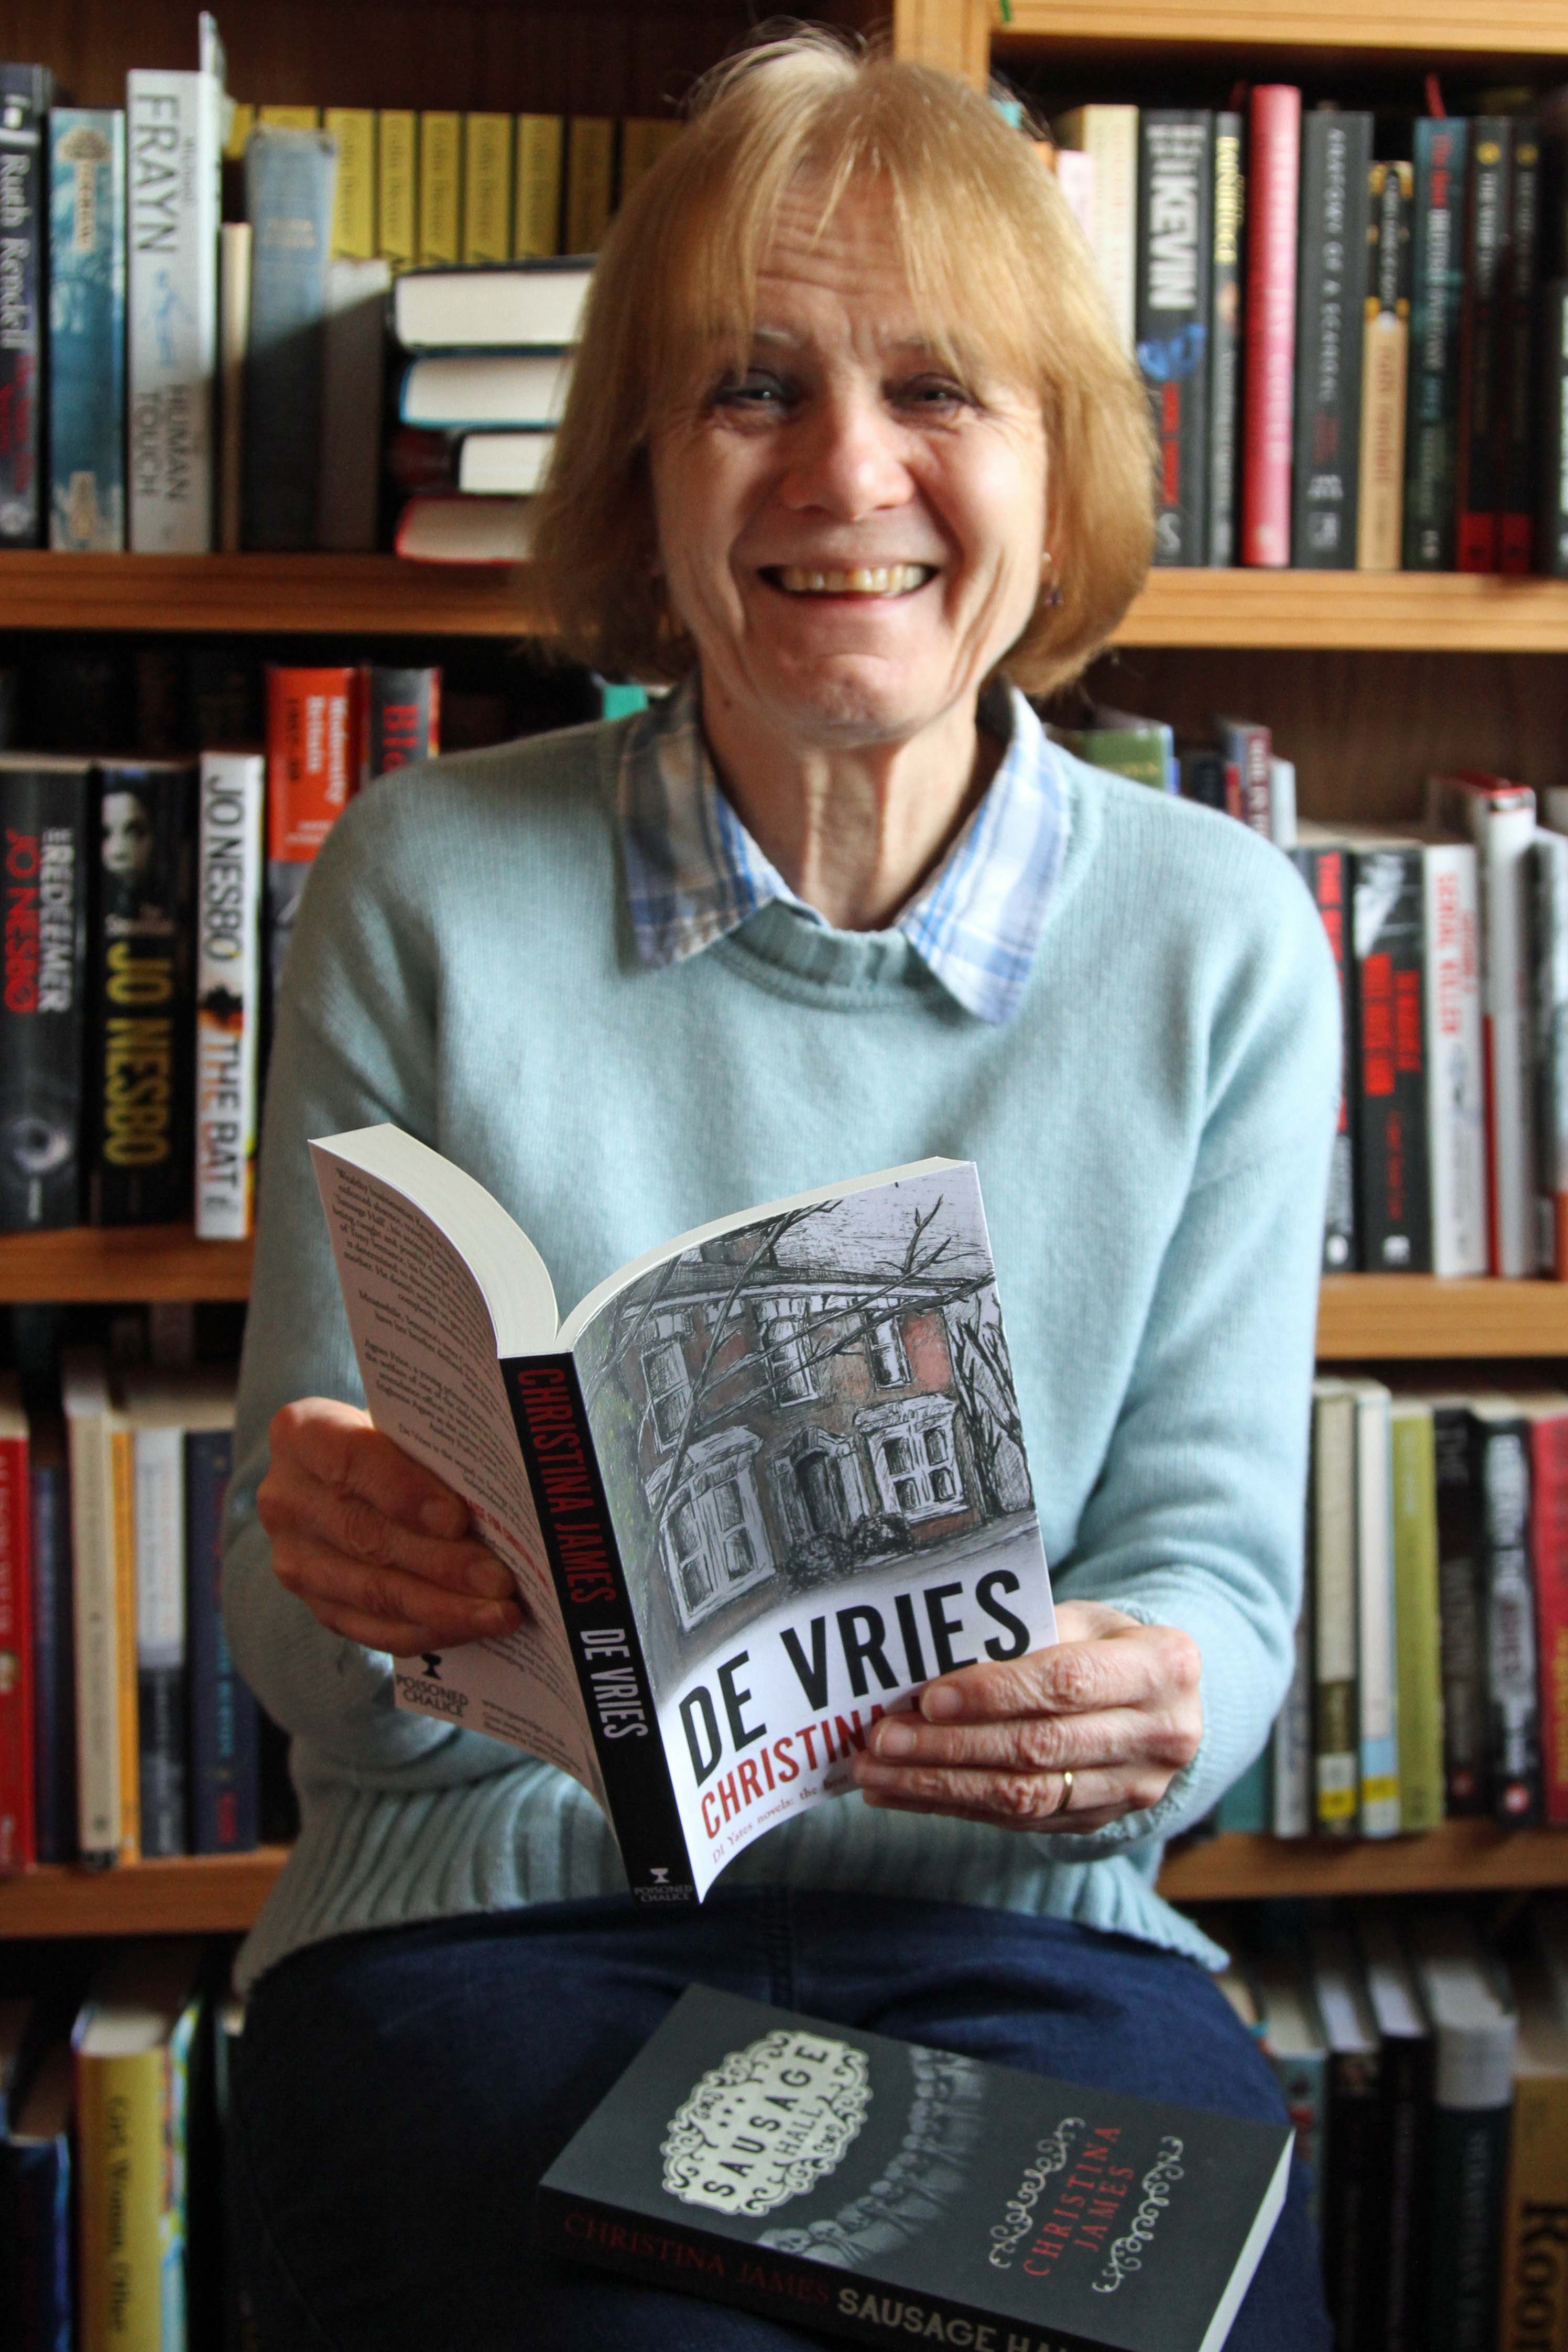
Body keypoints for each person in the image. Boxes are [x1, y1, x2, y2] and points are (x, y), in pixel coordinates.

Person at [225, 35, 1338, 2351]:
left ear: (1058, 476)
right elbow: (312, 1648)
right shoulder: (418, 884)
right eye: (751, 387)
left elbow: (1217, 1576)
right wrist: (370, 1597)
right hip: (490, 1923)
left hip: (1022, 1937)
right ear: (644, 475)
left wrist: (1153, 1695)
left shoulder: (1221, 935)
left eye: (937, 388)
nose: (847, 473)